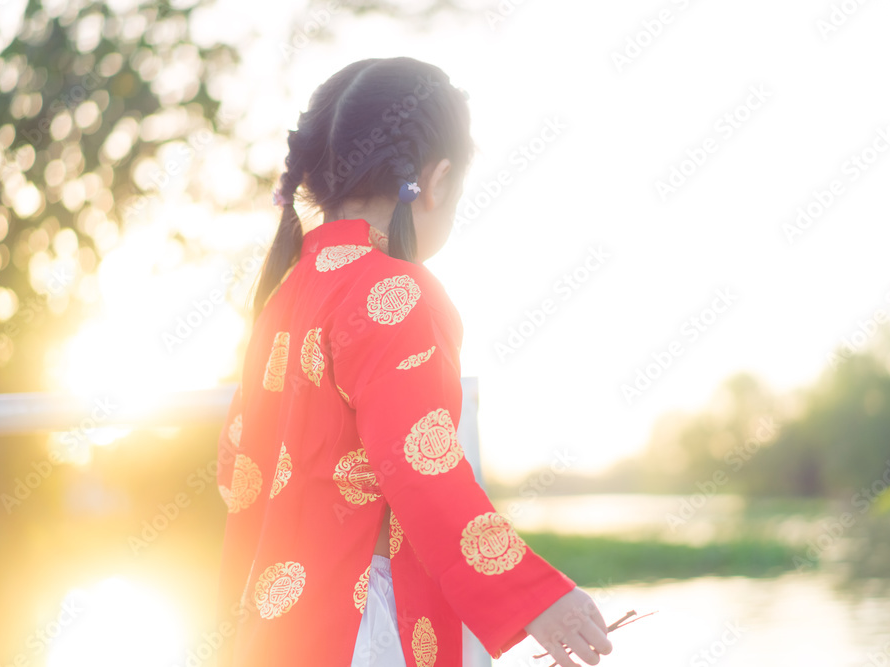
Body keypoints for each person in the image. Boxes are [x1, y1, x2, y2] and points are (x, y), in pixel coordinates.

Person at [214, 56, 612, 667]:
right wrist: (536, 597)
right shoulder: (396, 293)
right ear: (439, 180)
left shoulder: (283, 297)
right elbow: (421, 468)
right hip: (364, 623)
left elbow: (235, 468)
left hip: (276, 628)